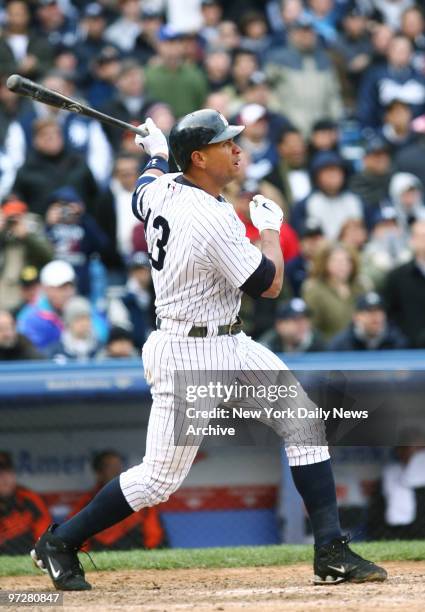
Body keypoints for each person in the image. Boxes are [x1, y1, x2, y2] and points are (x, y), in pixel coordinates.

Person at [31, 109, 386, 591]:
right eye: (225, 144)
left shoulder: (162, 188)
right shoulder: (211, 217)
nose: (237, 149)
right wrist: (268, 229)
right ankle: (60, 541)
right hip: (188, 352)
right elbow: (269, 283)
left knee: (304, 421)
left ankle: (331, 550)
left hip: (230, 341)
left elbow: (142, 189)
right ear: (199, 158)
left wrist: (157, 155)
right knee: (158, 480)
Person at [70, 450, 165, 551]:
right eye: (111, 468)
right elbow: (75, 533)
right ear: (99, 473)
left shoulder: (138, 495)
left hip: (135, 550)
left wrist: (151, 550)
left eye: (118, 467)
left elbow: (153, 534)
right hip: (99, 551)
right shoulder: (87, 501)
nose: (116, 471)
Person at [302, 242, 369, 341]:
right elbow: (312, 327)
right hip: (329, 350)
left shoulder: (360, 286)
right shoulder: (315, 290)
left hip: (359, 348)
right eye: (336, 261)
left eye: (347, 261)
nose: (343, 265)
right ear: (325, 263)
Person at [0, 198, 53, 311]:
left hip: (30, 285)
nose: (13, 221)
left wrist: (26, 236)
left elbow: (48, 255)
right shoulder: (3, 231)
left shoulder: (33, 225)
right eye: (10, 216)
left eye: (17, 216)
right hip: (6, 288)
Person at [383, 219, 425, 347]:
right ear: (411, 240)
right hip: (408, 351)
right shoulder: (397, 276)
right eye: (420, 236)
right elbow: (389, 314)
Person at [0, 451, 51, 555]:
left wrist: (40, 553)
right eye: (0, 474)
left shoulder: (28, 498)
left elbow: (44, 535)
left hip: (31, 556)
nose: (5, 478)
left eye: (8, 471)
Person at [327, 292, 408, 351]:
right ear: (356, 317)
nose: (375, 317)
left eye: (379, 311)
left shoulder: (397, 341)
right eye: (369, 312)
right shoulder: (341, 345)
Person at [259, 298, 326, 353]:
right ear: (280, 324)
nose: (303, 324)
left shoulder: (318, 344)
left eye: (306, 319)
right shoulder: (267, 346)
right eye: (296, 320)